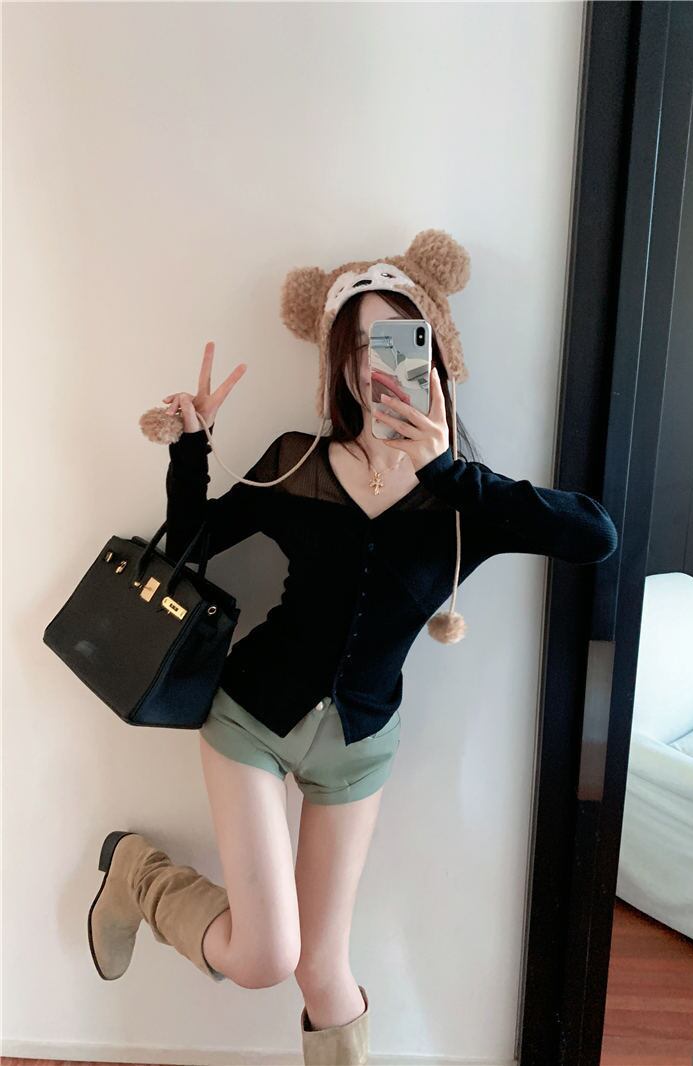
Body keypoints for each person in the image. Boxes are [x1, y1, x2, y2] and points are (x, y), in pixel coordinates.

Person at [88, 231, 618, 1066]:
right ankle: (139, 877)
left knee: (323, 971)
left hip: (359, 746)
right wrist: (192, 448)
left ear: (433, 352)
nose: (378, 363)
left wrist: (448, 472)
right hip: (252, 719)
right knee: (266, 957)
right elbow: (187, 549)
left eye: (398, 339)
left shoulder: (465, 499)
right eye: (360, 345)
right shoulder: (296, 462)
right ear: (337, 364)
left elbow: (595, 536)